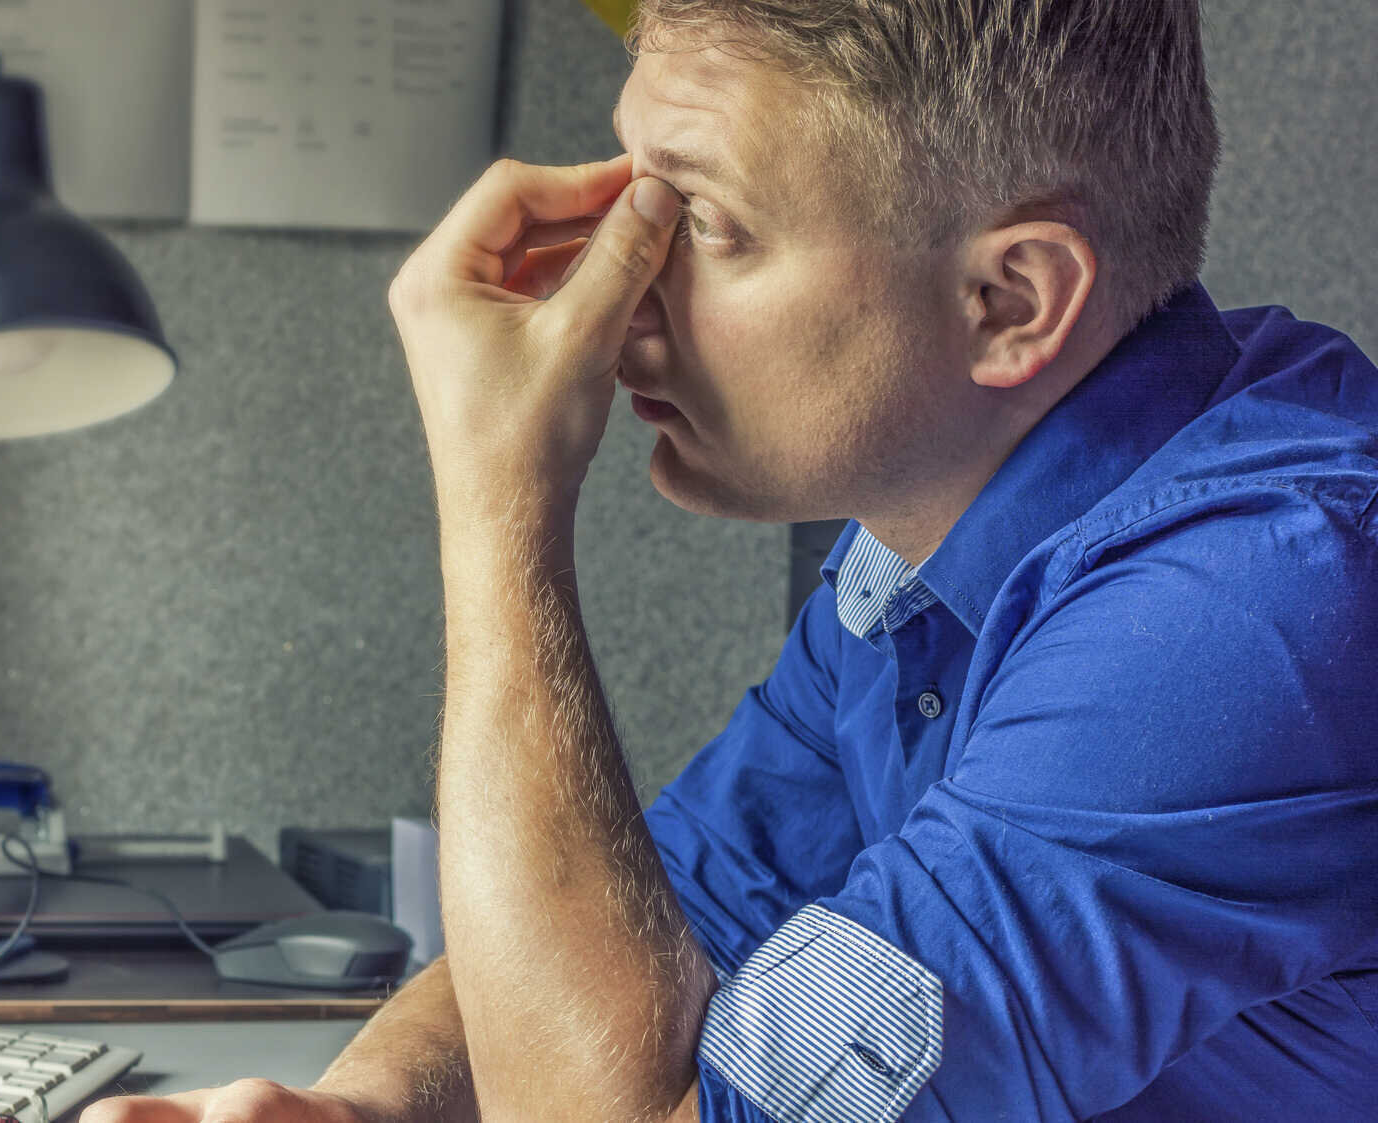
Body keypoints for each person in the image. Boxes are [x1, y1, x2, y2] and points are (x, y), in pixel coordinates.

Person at [85, 0, 1378, 1118]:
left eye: (696, 222)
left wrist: (498, 501)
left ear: (1012, 301)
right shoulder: (925, 549)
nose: (608, 293)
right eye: (628, 199)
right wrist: (359, 1108)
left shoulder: (1248, 617)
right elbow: (696, 898)